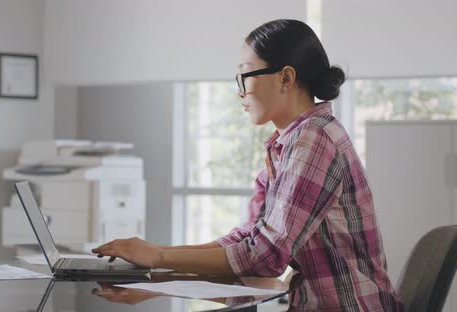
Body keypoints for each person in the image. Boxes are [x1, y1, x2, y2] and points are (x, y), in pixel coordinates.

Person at [92, 19, 404, 311]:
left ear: (286, 77)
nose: (240, 91)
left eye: (245, 75)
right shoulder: (291, 142)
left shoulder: (314, 140)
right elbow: (250, 237)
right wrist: (156, 265)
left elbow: (265, 257)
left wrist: (159, 258)